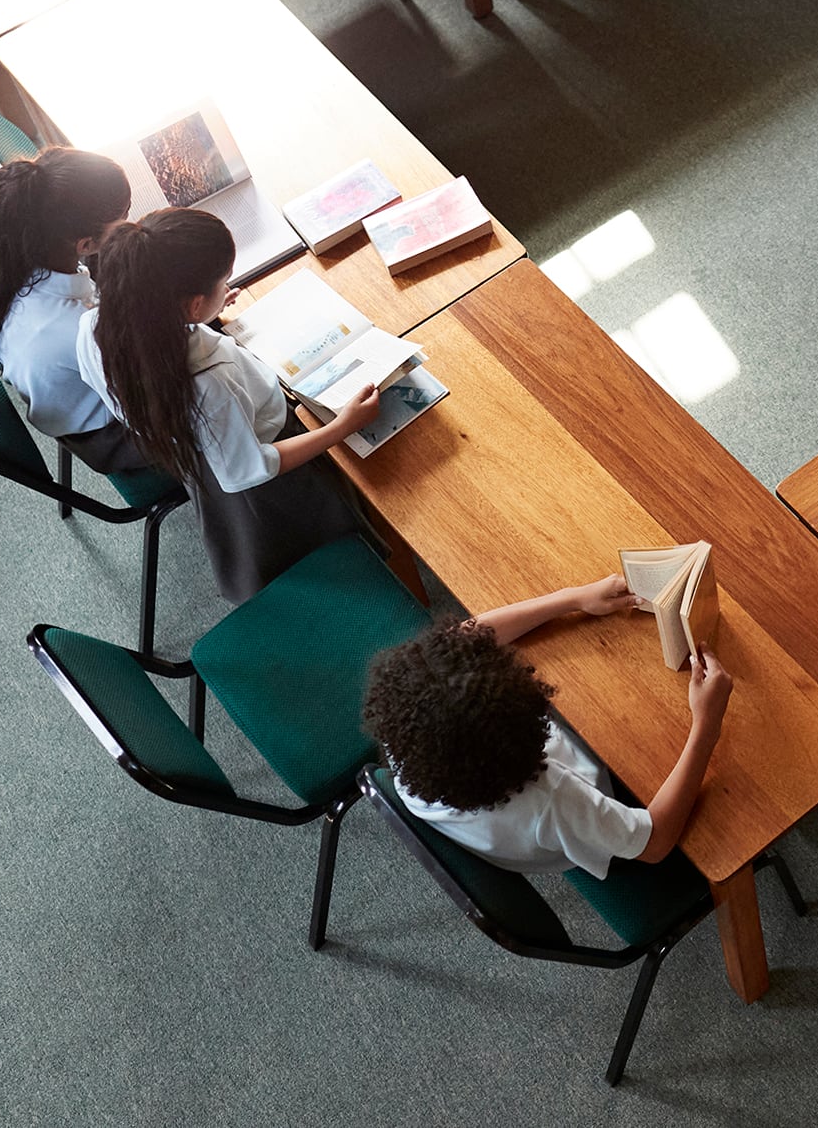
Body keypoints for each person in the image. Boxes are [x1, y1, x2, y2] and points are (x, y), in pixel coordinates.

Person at [74, 207, 377, 601]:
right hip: (263, 464)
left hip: (196, 447)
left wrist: (202, 315)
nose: (227, 286)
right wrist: (340, 427)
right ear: (193, 305)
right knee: (344, 531)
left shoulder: (93, 328)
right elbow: (250, 469)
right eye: (223, 282)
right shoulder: (209, 382)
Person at [360, 576, 733, 876]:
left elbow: (466, 638)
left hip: (510, 813)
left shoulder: (411, 735)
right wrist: (706, 725)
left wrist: (573, 599)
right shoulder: (553, 797)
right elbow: (655, 844)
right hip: (600, 813)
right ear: (525, 725)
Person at [0, 147, 144, 472]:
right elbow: (147, 391)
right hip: (112, 435)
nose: (129, 222)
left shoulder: (10, 254)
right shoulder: (76, 327)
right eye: (123, 215)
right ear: (85, 245)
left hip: (68, 398)